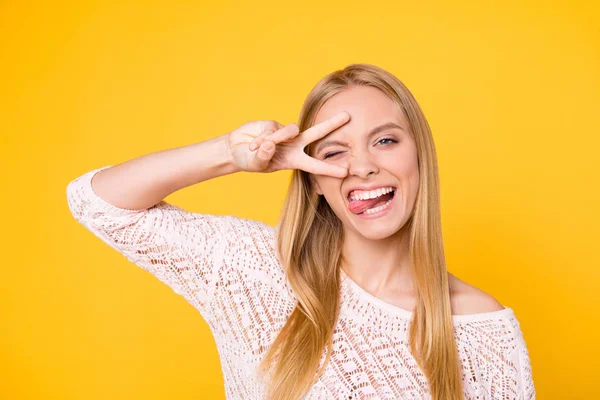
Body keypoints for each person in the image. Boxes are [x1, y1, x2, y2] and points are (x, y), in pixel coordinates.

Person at [66, 63, 535, 400]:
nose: (363, 167)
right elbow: (96, 203)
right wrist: (231, 154)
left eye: (386, 140)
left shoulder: (481, 330)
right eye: (333, 152)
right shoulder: (255, 272)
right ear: (312, 179)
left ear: (420, 157)